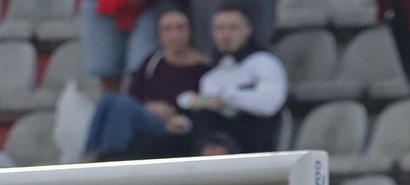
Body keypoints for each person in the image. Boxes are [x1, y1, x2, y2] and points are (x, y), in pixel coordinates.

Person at [82, 6, 210, 161]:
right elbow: (135, 94)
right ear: (159, 34)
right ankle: (90, 153)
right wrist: (149, 108)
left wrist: (179, 120)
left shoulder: (202, 68)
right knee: (108, 100)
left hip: (174, 125)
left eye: (180, 28)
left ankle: (106, 157)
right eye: (167, 29)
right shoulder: (153, 62)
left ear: (189, 31)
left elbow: (204, 107)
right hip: (148, 117)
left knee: (119, 104)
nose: (174, 34)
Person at [175, 4, 286, 154]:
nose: (226, 35)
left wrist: (225, 98)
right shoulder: (211, 77)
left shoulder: (265, 63)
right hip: (217, 139)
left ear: (248, 30)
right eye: (220, 28)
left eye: (233, 28)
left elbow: (269, 104)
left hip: (255, 140)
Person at [84, 0, 160, 95]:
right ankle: (113, 103)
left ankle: (140, 101)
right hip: (102, 6)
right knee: (107, 70)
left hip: (148, 7)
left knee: (143, 67)